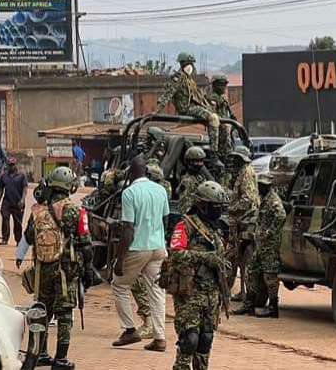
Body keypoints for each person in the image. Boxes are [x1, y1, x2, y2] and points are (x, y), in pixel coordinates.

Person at [17, 166, 92, 370]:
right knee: (65, 314)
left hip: (42, 269)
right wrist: (88, 270)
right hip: (65, 271)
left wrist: (19, 257)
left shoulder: (38, 211)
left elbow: (29, 237)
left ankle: (39, 354)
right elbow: (86, 245)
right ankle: (60, 359)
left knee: (43, 311)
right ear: (70, 187)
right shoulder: (75, 211)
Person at [164, 180, 230, 370]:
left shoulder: (216, 228)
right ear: (202, 205)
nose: (218, 211)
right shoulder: (186, 225)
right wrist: (204, 257)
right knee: (190, 339)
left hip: (212, 293)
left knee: (205, 339)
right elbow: (176, 253)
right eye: (215, 206)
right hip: (190, 292)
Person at [111, 156, 170, 352]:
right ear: (146, 171)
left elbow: (128, 228)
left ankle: (129, 330)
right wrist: (161, 239)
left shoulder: (129, 193)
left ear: (131, 172)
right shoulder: (161, 190)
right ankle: (160, 338)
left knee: (119, 285)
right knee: (157, 292)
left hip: (138, 247)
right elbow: (165, 219)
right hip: (158, 247)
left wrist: (120, 259)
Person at [236, 170, 285, 317]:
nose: (261, 187)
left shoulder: (273, 200)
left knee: (270, 276)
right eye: (260, 185)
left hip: (270, 246)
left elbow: (281, 215)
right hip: (261, 245)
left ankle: (273, 307)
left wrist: (270, 232)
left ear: (269, 186)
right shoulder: (263, 199)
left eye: (263, 185)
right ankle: (249, 304)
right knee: (251, 270)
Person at [156, 53, 221, 153]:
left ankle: (219, 149)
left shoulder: (189, 79)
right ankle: (214, 152)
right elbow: (168, 94)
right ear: (183, 64)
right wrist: (157, 110)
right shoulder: (179, 77)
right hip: (187, 109)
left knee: (218, 119)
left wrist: (210, 103)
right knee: (213, 118)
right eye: (189, 63)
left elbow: (199, 96)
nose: (192, 66)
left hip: (193, 107)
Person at [222, 147, 259, 301]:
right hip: (240, 221)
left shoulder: (246, 173)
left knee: (233, 257)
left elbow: (248, 199)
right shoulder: (241, 173)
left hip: (243, 222)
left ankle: (230, 294)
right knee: (237, 259)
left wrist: (231, 207)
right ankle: (240, 293)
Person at [0, 157, 27, 245]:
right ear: (7, 165)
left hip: (18, 202)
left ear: (16, 165)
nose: (11, 167)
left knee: (17, 222)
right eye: (10, 165)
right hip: (7, 202)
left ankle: (18, 240)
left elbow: (25, 188)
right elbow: (1, 189)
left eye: (13, 165)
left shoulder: (21, 176)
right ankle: (5, 239)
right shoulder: (4, 176)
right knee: (5, 219)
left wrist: (22, 200)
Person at [177, 146, 212, 215]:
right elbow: (184, 207)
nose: (199, 164)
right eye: (196, 161)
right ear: (189, 162)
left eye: (201, 161)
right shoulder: (187, 181)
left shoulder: (200, 177)